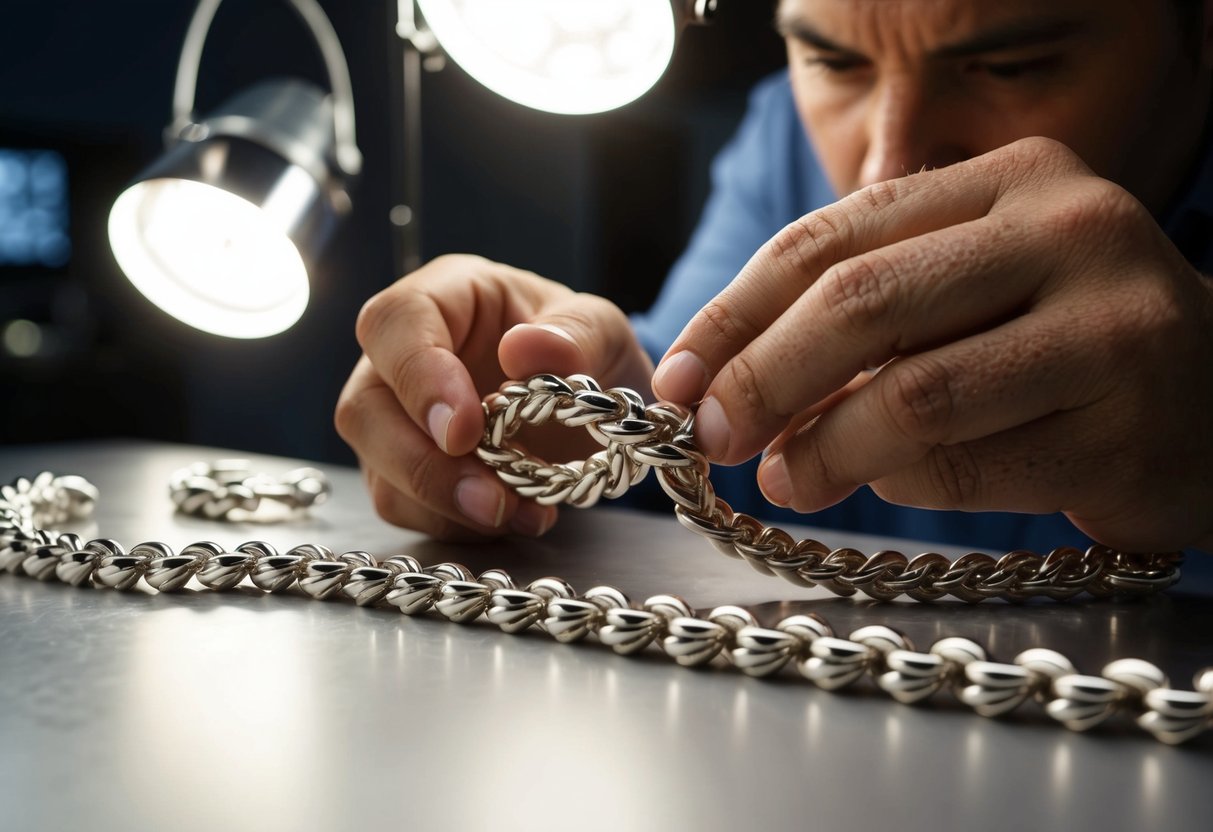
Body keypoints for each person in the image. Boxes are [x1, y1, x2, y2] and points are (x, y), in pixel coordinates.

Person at [336, 0, 1213, 555]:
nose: (885, 165)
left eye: (1008, 67)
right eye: (835, 63)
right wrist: (565, 409)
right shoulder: (781, 140)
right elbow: (687, 408)